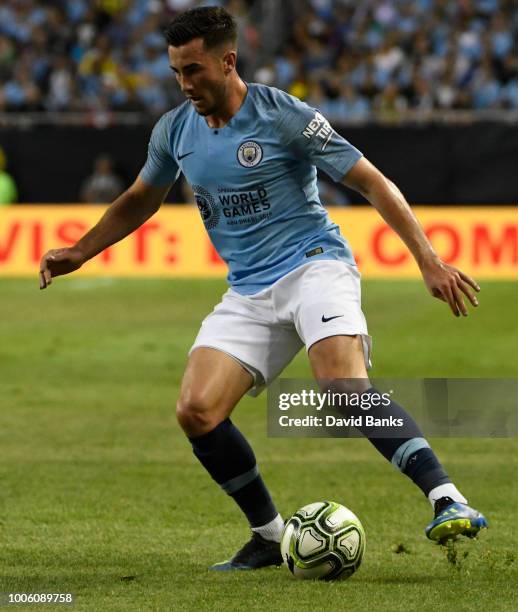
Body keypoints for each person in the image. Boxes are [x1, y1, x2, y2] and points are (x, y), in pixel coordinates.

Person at [39, 7, 487, 571]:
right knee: (196, 411)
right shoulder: (175, 130)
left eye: (195, 70)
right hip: (249, 290)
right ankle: (270, 537)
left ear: (228, 61)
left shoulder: (285, 117)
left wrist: (429, 261)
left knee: (342, 389)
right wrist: (80, 250)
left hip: (313, 266)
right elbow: (141, 198)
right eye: (176, 71)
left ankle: (448, 499)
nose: (185, 84)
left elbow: (373, 182)